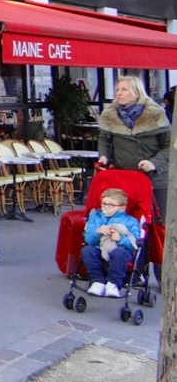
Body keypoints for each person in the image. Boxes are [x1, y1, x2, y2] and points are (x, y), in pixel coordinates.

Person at [98, 76, 170, 223]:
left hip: (156, 178)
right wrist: (103, 156)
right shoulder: (109, 115)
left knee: (160, 223)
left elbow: (170, 145)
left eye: (124, 89)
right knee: (128, 222)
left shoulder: (156, 114)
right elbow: (105, 140)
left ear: (137, 92)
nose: (119, 93)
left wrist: (153, 163)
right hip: (125, 177)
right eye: (117, 89)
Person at [80, 188, 141, 298]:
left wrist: (121, 239)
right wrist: (98, 231)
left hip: (121, 254)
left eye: (111, 205)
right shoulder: (95, 216)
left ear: (122, 207)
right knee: (87, 250)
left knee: (119, 253)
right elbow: (88, 239)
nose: (106, 207)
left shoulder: (131, 221)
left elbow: (134, 244)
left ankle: (113, 284)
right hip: (99, 249)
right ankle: (97, 281)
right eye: (104, 204)